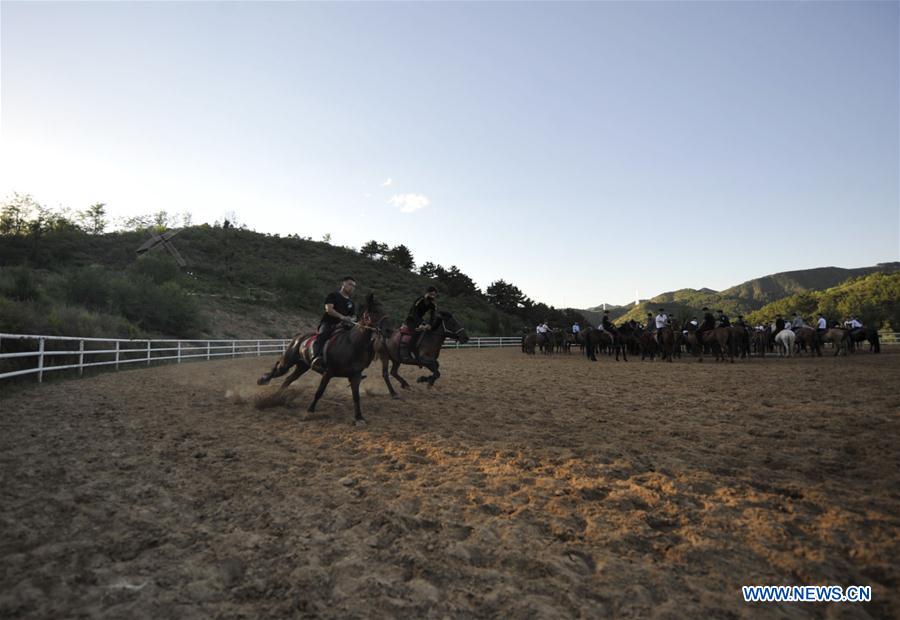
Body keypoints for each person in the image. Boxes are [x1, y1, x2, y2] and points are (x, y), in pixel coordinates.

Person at [311, 276, 357, 371]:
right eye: (350, 284)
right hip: (328, 323)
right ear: (343, 284)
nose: (352, 287)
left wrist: (352, 319)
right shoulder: (333, 295)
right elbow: (329, 309)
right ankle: (316, 359)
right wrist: (342, 317)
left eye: (354, 286)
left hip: (344, 326)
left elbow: (353, 315)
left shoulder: (351, 302)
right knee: (322, 336)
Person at [405, 286, 438, 362]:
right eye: (431, 294)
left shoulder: (432, 304)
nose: (432, 296)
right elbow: (414, 313)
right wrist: (420, 324)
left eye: (434, 295)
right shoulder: (419, 300)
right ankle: (410, 351)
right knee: (416, 332)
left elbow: (433, 316)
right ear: (427, 293)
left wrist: (429, 324)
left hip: (420, 320)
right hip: (411, 319)